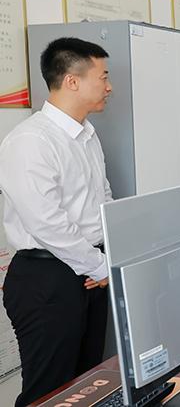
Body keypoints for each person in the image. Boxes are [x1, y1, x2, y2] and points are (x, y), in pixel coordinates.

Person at [0, 38, 113, 407]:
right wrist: (101, 266)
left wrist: (107, 260)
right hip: (46, 279)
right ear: (72, 81)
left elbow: (103, 202)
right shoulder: (30, 140)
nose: (109, 87)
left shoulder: (87, 136)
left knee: (88, 385)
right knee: (48, 392)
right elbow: (47, 224)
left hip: (89, 273)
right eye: (103, 77)